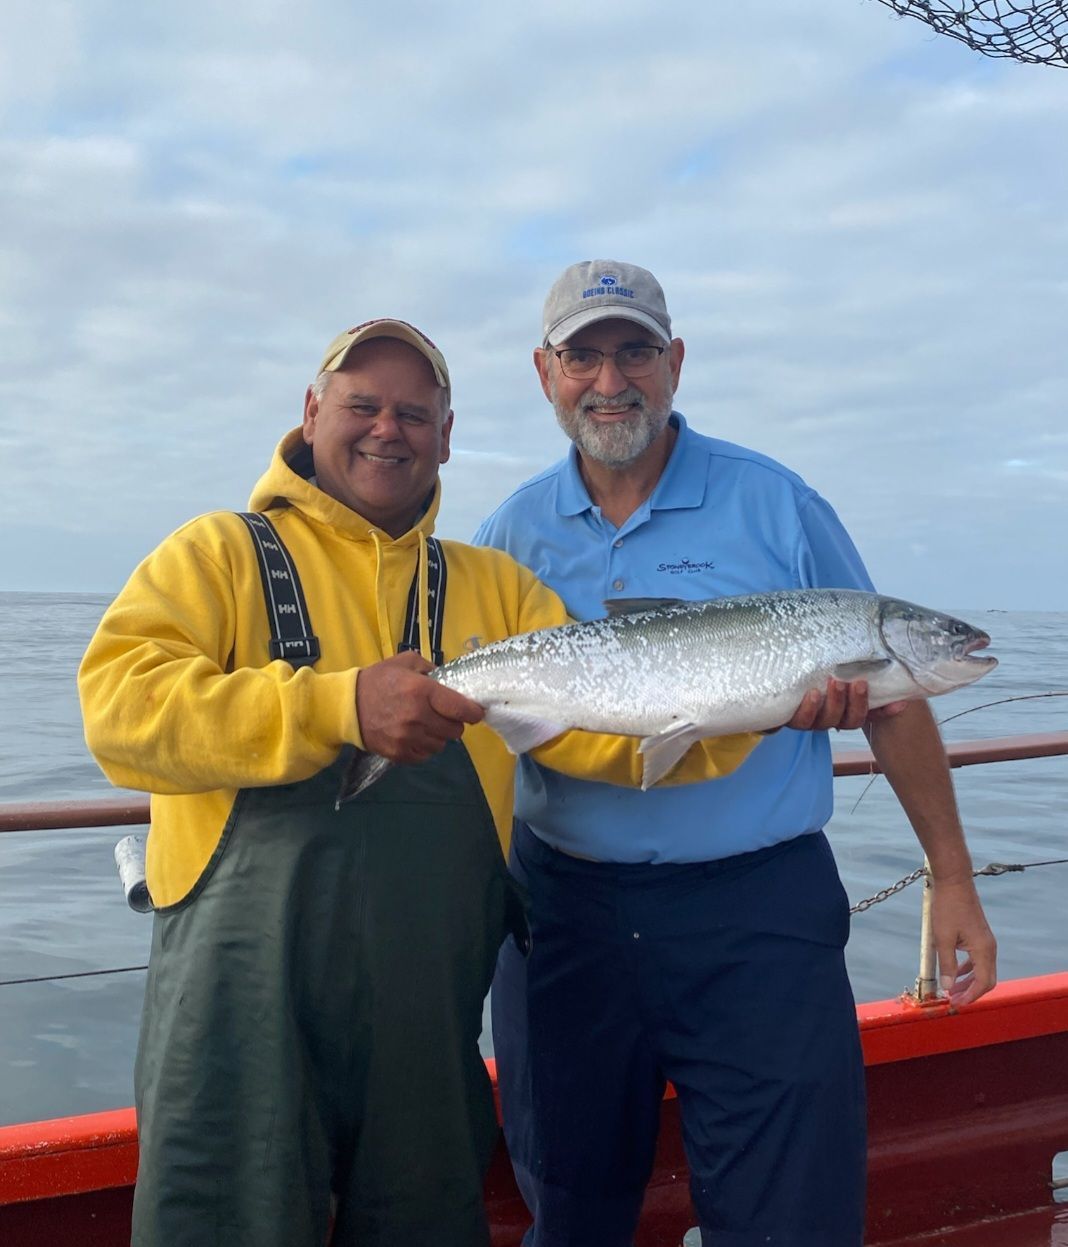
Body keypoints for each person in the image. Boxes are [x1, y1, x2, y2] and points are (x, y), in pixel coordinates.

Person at [77, 319, 763, 1247]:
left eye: (414, 412)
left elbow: (605, 735)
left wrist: (751, 710)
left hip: (425, 1033)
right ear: (312, 412)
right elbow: (119, 709)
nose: (386, 429)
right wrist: (337, 709)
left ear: (448, 435)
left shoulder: (499, 591)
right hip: (234, 1032)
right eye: (362, 406)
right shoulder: (218, 556)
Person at [474, 260, 999, 1247]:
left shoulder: (778, 503)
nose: (610, 379)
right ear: (544, 373)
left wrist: (956, 877)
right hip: (564, 918)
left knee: (789, 1210)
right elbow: (471, 733)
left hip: (758, 912)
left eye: (634, 350)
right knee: (571, 1201)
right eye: (583, 355)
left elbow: (895, 711)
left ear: (676, 362)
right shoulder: (509, 534)